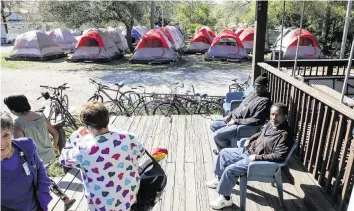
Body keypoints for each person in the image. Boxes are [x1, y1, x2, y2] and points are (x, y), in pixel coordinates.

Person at [59, 102, 145, 211]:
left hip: (102, 202)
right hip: (128, 192)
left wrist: (76, 135)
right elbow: (141, 151)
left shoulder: (83, 150)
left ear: (88, 126)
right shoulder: (128, 138)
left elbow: (63, 159)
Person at [206, 103, 294, 209]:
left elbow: (279, 156)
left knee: (230, 169)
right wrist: (250, 139)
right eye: (272, 114)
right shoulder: (271, 124)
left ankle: (226, 199)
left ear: (285, 116)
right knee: (224, 153)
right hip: (248, 151)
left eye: (277, 115)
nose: (274, 117)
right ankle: (220, 180)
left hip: (257, 163)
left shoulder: (285, 134)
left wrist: (256, 158)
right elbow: (260, 133)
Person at [3, 94, 75, 210]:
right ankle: (65, 199)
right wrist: (55, 147)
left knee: (37, 183)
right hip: (49, 154)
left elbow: (19, 146)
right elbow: (55, 133)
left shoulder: (18, 123)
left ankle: (61, 200)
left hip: (34, 159)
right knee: (44, 180)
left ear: (12, 109)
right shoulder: (41, 116)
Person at [1, 112, 52, 211]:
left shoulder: (26, 146)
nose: (1, 143)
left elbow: (40, 170)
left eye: (5, 135)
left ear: (11, 132)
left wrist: (44, 197)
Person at [210, 74, 271, 154]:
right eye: (255, 86)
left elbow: (256, 120)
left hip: (241, 126)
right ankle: (227, 147)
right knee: (214, 125)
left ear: (265, 87)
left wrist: (236, 121)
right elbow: (240, 107)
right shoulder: (253, 93)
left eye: (258, 86)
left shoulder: (264, 101)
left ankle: (226, 153)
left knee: (217, 136)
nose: (256, 88)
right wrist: (230, 115)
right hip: (233, 119)